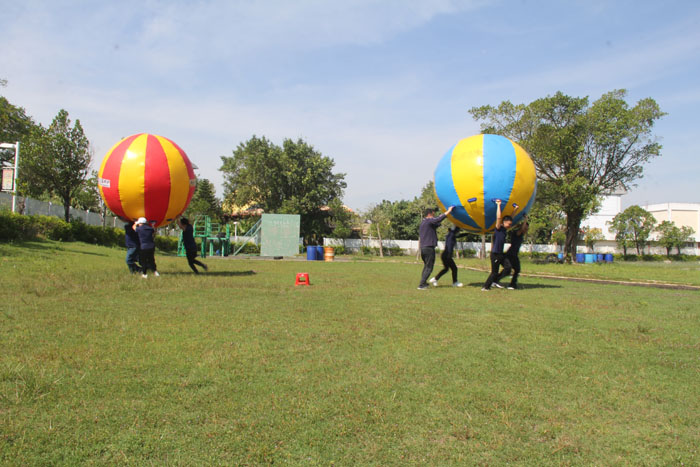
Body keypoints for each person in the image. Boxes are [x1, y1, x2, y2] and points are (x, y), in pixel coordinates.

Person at [417, 205, 454, 290]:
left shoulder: (424, 223)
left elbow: (436, 223)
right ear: (430, 214)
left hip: (423, 248)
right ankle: (421, 285)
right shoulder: (429, 221)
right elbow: (438, 219)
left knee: (426, 266)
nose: (434, 216)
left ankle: (423, 283)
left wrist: (444, 219)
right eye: (433, 214)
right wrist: (448, 211)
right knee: (429, 267)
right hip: (429, 248)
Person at [482, 199, 512, 291]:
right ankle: (485, 287)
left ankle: (496, 281)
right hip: (495, 254)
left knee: (508, 268)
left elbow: (511, 217)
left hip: (500, 254)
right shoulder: (498, 228)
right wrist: (498, 205)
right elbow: (499, 218)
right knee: (494, 272)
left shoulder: (505, 229)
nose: (510, 225)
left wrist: (515, 209)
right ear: (504, 222)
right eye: (509, 224)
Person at [505, 215, 528, 290]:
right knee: (515, 269)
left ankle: (496, 280)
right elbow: (522, 229)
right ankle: (512, 285)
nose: (526, 229)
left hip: (513, 254)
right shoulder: (517, 233)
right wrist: (525, 220)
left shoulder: (520, 234)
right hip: (511, 254)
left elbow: (522, 229)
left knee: (510, 270)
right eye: (526, 228)